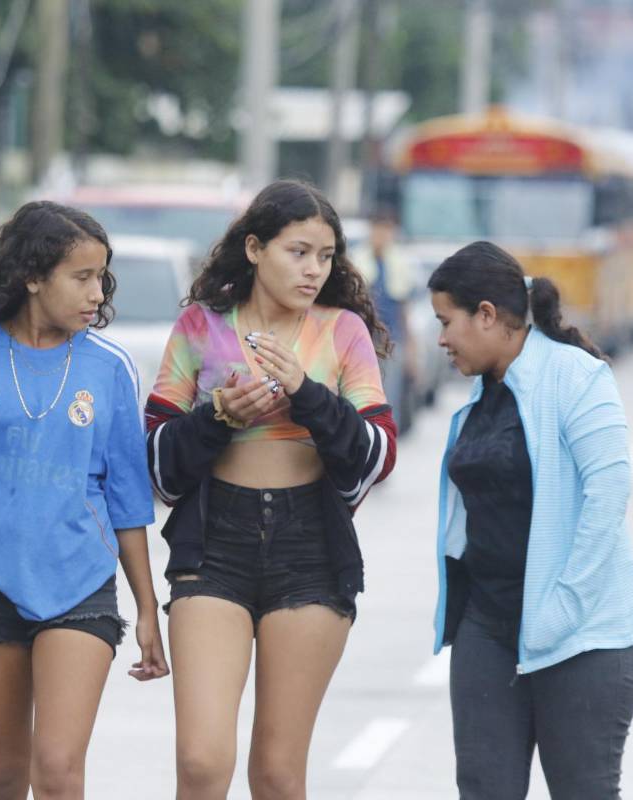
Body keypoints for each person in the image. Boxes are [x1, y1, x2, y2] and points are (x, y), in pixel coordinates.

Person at [0, 201, 169, 800]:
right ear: (32, 277)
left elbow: (128, 503)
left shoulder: (111, 369)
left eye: (102, 277)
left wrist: (147, 607)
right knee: (0, 777)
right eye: (81, 277)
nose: (97, 293)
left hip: (79, 587)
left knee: (56, 771)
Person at [144, 179, 397, 799]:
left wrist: (310, 396)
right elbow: (155, 460)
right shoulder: (201, 328)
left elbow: (380, 454)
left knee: (279, 774)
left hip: (310, 549)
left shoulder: (342, 333)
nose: (314, 270)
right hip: (215, 547)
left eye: (327, 256)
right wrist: (218, 416)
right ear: (255, 248)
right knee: (202, 762)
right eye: (298, 251)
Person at [427, 241, 633, 799]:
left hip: (585, 638)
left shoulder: (576, 377)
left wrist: (563, 609)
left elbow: (608, 490)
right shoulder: (484, 393)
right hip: (489, 628)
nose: (440, 338)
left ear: (486, 315)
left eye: (446, 320)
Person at [350, 207, 420, 433]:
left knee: (390, 395)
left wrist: (411, 349)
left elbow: (404, 307)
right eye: (378, 230)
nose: (382, 235)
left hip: (392, 339)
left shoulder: (400, 263)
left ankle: (387, 445)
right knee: (360, 395)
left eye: (386, 230)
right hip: (362, 340)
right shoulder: (356, 260)